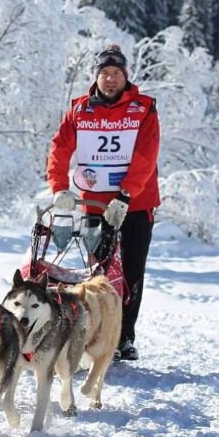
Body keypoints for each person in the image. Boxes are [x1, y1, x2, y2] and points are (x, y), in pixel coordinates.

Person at [46, 43, 160, 361]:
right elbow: (59, 148)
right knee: (98, 272)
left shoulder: (143, 108)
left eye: (116, 74)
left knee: (132, 271)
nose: (110, 80)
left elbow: (146, 155)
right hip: (95, 204)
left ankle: (124, 338)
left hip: (135, 204)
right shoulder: (80, 110)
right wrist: (59, 188)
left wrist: (125, 195)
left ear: (126, 76)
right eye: (104, 74)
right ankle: (95, 332)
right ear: (96, 77)